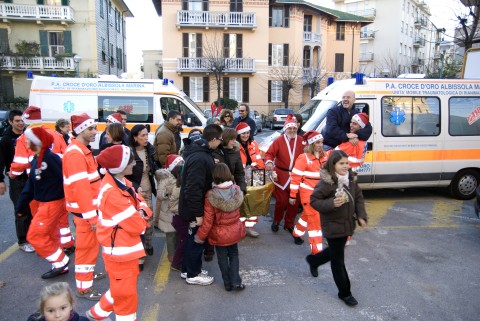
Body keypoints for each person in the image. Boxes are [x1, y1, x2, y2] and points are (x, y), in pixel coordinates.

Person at [86, 145, 151, 321]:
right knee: (126, 297)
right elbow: (139, 226)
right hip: (121, 254)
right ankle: (97, 315)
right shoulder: (113, 193)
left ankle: (96, 315)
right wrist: (142, 213)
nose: (134, 163)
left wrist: (141, 212)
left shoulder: (120, 182)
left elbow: (142, 203)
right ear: (120, 166)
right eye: (130, 161)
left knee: (121, 289)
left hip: (124, 251)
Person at [308, 150, 368, 307]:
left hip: (347, 224)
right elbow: (314, 201)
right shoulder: (326, 183)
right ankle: (345, 292)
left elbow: (359, 199)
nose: (346, 166)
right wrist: (331, 203)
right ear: (333, 165)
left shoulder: (351, 180)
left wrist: (361, 215)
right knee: (338, 260)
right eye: (341, 163)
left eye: (347, 163)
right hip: (332, 225)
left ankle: (314, 260)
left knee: (336, 251)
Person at [9, 106, 70, 252]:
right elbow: (66, 155)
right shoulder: (56, 134)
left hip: (40, 184)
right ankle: (66, 243)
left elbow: (20, 163)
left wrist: (12, 172)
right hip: (60, 184)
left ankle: (51, 248)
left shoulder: (26, 137)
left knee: (42, 219)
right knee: (61, 217)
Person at [16, 127, 70, 279]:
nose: (25, 141)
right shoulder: (37, 159)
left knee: (35, 236)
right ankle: (60, 264)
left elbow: (64, 179)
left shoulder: (49, 159)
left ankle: (60, 261)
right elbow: (31, 187)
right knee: (51, 236)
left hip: (51, 204)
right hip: (45, 204)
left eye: (28, 139)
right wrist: (21, 207)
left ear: (37, 142)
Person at [63, 113, 104, 301]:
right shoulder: (76, 154)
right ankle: (83, 288)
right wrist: (92, 218)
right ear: (80, 131)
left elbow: (91, 180)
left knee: (90, 249)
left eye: (94, 127)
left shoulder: (82, 150)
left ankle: (87, 277)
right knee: (86, 250)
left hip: (88, 212)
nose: (95, 132)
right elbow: (81, 190)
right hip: (86, 213)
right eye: (91, 129)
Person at [179, 124, 223, 286]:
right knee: (196, 239)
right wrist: (198, 214)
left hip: (192, 207)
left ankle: (187, 269)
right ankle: (193, 273)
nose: (220, 143)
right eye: (220, 140)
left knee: (192, 238)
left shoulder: (201, 153)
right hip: (194, 209)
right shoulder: (200, 157)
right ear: (212, 139)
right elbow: (193, 188)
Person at [195, 163, 246, 291]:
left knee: (222, 258)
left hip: (219, 234)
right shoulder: (236, 191)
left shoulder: (211, 195)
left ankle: (227, 284)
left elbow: (208, 221)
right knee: (234, 255)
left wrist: (200, 236)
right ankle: (236, 282)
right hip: (234, 231)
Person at [0, 110, 34, 253]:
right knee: (21, 210)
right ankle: (22, 241)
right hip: (17, 179)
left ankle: (32, 237)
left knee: (33, 210)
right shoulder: (6, 140)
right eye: (17, 121)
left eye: (22, 121)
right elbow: (1, 161)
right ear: (10, 122)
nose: (21, 123)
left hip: (30, 178)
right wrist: (1, 180)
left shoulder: (28, 135)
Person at [264, 114, 305, 236]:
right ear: (285, 129)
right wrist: (270, 162)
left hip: (297, 176)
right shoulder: (279, 140)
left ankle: (289, 224)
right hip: (281, 175)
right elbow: (269, 154)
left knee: (294, 203)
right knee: (281, 202)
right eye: (289, 128)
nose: (292, 130)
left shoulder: (302, 141)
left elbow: (309, 154)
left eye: (294, 128)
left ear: (297, 128)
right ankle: (276, 221)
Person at [126, 124, 159, 269]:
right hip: (133, 194)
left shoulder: (149, 149)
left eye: (147, 135)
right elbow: (122, 175)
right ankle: (140, 256)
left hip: (147, 191)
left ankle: (148, 243)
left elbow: (154, 167)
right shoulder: (128, 153)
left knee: (148, 221)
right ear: (134, 137)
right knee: (137, 225)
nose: (146, 138)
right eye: (142, 136)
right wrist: (134, 186)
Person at [289, 130, 328, 250]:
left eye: (321, 142)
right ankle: (317, 251)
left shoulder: (325, 156)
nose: (320, 145)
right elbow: (295, 178)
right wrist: (292, 195)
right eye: (317, 142)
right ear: (311, 144)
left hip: (321, 193)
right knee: (315, 220)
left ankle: (296, 233)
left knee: (307, 215)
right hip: (308, 193)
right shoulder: (303, 158)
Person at [153, 110, 183, 230]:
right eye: (177, 120)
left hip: (170, 167)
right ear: (170, 119)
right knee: (163, 198)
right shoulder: (165, 133)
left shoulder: (170, 131)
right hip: (167, 169)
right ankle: (159, 222)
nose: (179, 122)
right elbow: (163, 157)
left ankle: (163, 221)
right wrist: (172, 169)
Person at [235, 122, 264, 237]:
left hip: (254, 176)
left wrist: (256, 166)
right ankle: (241, 227)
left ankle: (250, 226)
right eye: (243, 133)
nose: (246, 135)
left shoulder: (254, 144)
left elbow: (259, 161)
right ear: (238, 134)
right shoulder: (235, 146)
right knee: (241, 202)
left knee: (253, 202)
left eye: (247, 133)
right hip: (240, 177)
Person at [156, 154, 183, 267]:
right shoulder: (166, 179)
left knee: (179, 233)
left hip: (179, 209)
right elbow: (159, 195)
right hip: (168, 211)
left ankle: (178, 252)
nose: (182, 166)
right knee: (171, 234)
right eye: (179, 164)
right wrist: (168, 192)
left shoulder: (182, 176)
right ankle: (171, 254)